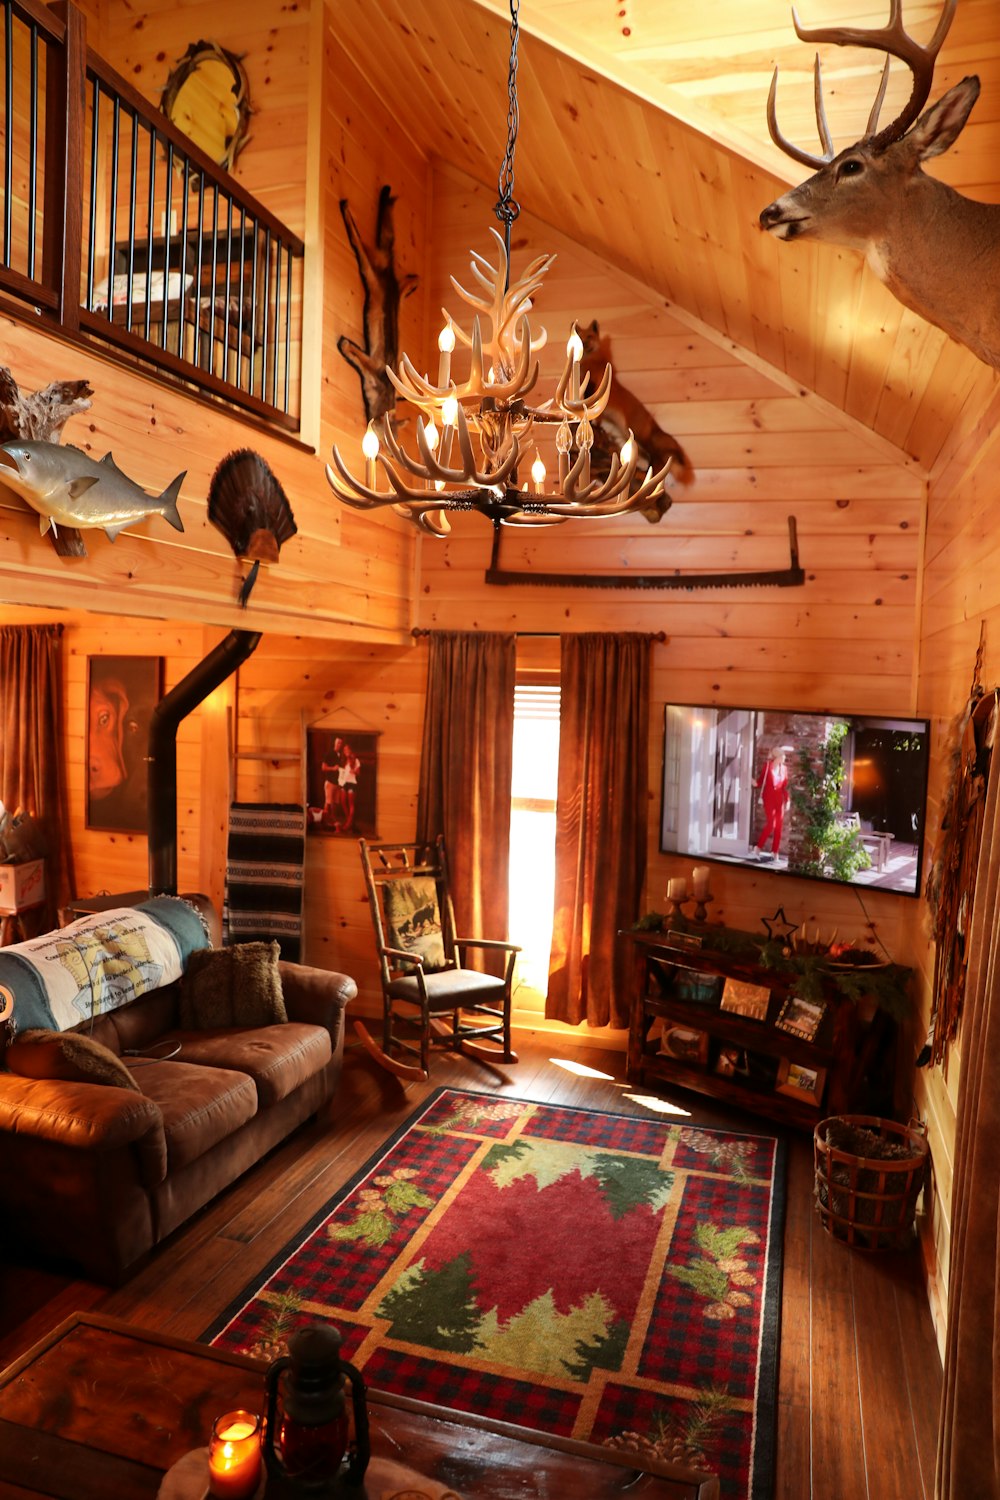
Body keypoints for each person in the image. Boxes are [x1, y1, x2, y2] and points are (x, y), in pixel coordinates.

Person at [752, 745, 792, 861]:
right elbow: (760, 782)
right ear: (776, 757)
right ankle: (758, 847)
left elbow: (785, 787)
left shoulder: (784, 769)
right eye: (782, 757)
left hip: (779, 800)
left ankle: (775, 852)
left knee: (779, 826)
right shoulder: (767, 766)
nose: (783, 759)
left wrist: (787, 800)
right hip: (768, 799)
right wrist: (752, 781)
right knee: (771, 824)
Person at [320, 736, 345, 828]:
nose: (339, 745)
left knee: (334, 803)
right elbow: (323, 767)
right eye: (338, 743)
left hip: (337, 783)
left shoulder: (340, 755)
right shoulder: (329, 753)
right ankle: (324, 821)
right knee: (328, 803)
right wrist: (333, 768)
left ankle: (332, 820)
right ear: (335, 743)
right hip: (330, 782)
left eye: (341, 743)